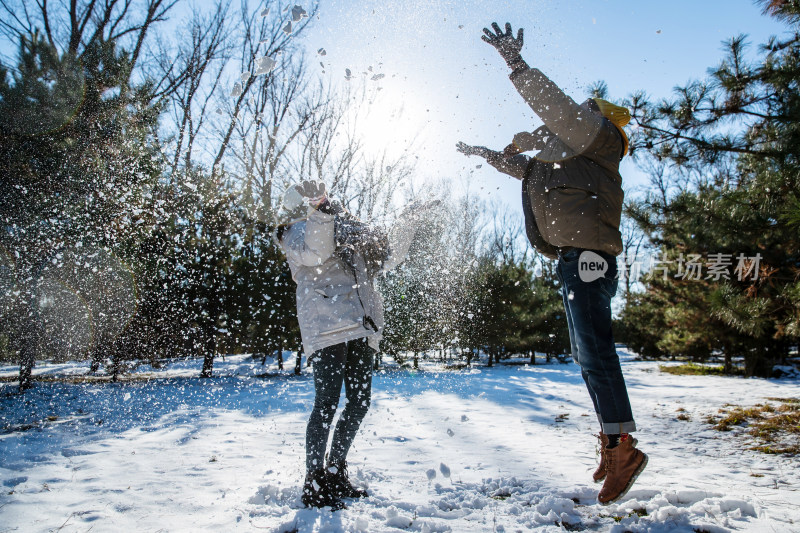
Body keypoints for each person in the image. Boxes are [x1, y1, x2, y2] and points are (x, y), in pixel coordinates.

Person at [456, 22, 647, 505]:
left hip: (588, 261)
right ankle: (611, 440)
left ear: (597, 117)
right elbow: (527, 168)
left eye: (583, 111)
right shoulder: (568, 159)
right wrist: (485, 153)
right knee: (587, 356)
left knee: (597, 353)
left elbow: (557, 108)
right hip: (572, 262)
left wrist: (516, 65)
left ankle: (624, 447)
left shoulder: (600, 139)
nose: (574, 116)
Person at [275, 180, 389, 510]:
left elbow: (371, 262)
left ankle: (336, 471)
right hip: (327, 325)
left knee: (359, 402)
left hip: (359, 324)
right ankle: (314, 482)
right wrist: (323, 212)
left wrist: (372, 241)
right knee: (326, 403)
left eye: (323, 204)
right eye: (314, 204)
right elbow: (317, 251)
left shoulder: (340, 227)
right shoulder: (293, 233)